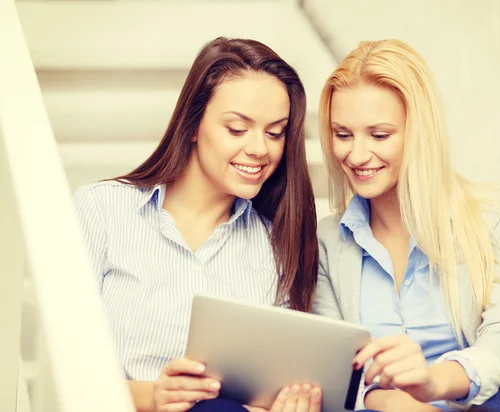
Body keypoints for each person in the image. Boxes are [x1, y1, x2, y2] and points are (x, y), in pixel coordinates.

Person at [74, 37, 322, 412]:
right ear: (192, 126)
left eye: (275, 132)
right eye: (237, 129)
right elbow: (66, 356)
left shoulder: (277, 243)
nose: (261, 149)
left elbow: (272, 391)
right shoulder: (103, 210)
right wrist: (153, 397)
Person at [313, 39, 500, 412]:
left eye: (379, 135)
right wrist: (394, 403)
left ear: (420, 132)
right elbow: (332, 369)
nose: (356, 155)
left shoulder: (499, 217)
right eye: (343, 135)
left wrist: (432, 381)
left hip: (473, 406)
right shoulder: (327, 240)